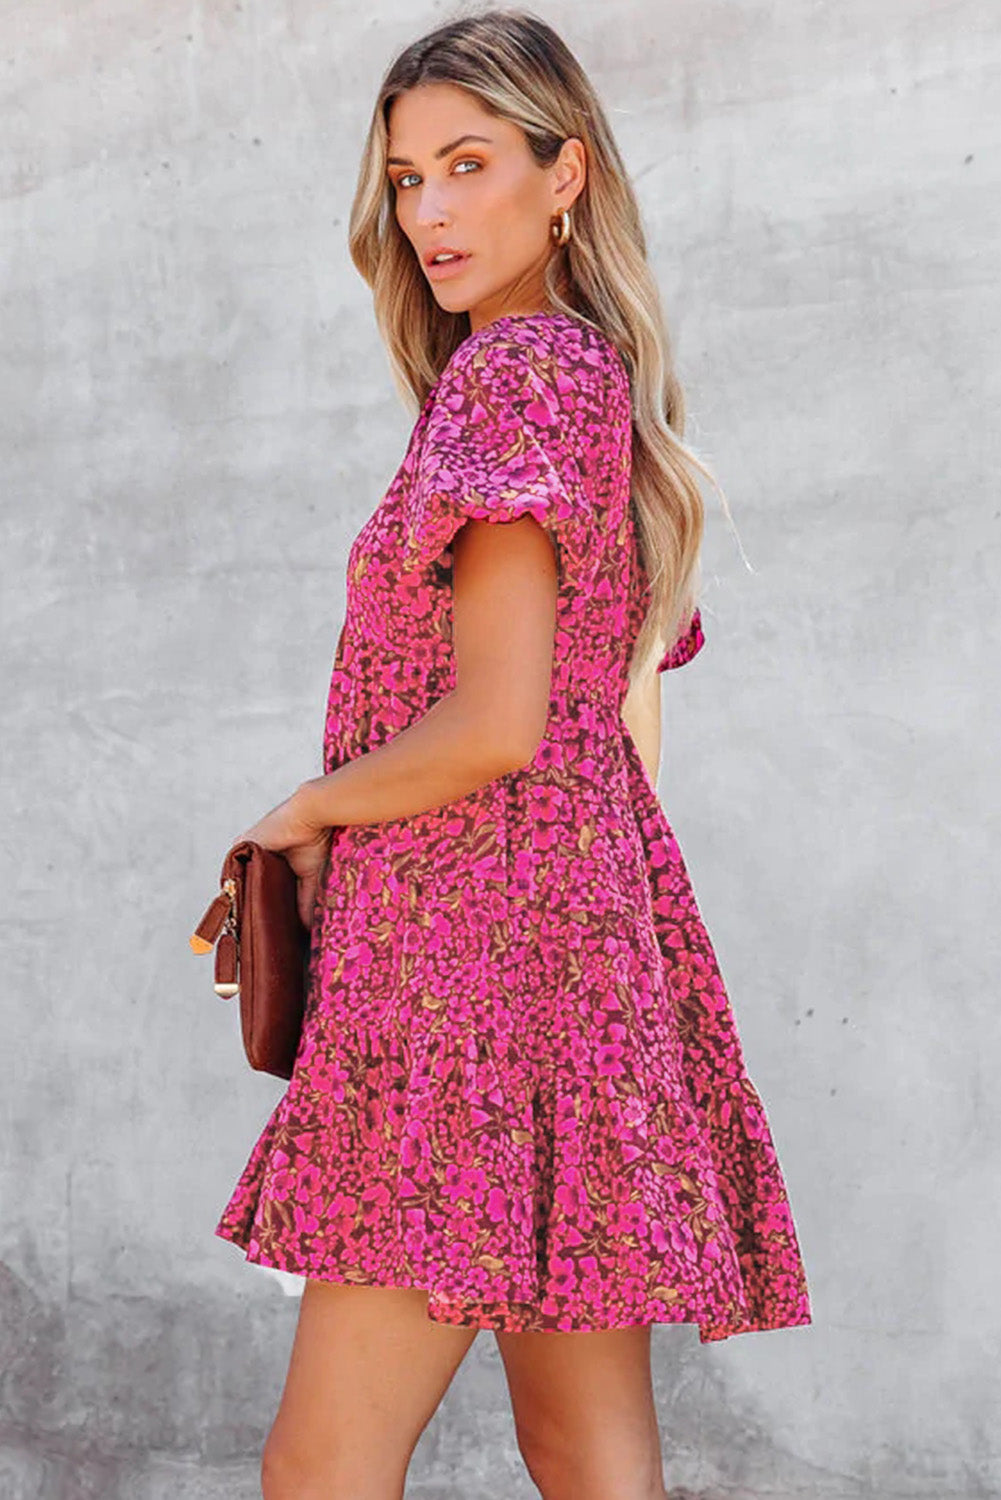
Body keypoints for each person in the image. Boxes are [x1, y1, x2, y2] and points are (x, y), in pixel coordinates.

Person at [213, 10, 812, 1498]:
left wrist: (306, 811)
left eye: (468, 164)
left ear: (567, 175)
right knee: (587, 1452)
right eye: (406, 177)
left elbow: (498, 724)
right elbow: (618, 724)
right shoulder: (589, 378)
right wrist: (581, 923)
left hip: (461, 971)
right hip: (581, 958)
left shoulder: (515, 382)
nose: (428, 211)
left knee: (322, 1465)